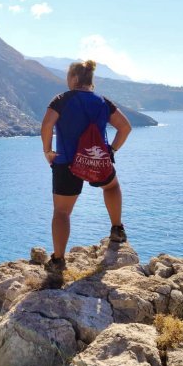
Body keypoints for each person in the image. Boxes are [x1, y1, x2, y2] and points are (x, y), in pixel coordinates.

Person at [41, 60, 132, 270]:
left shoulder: (62, 99)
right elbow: (125, 127)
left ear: (73, 78)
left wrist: (48, 151)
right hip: (98, 159)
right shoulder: (102, 102)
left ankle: (58, 260)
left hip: (66, 162)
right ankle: (117, 229)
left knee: (62, 213)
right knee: (111, 186)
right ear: (91, 80)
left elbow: (47, 125)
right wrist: (111, 151)